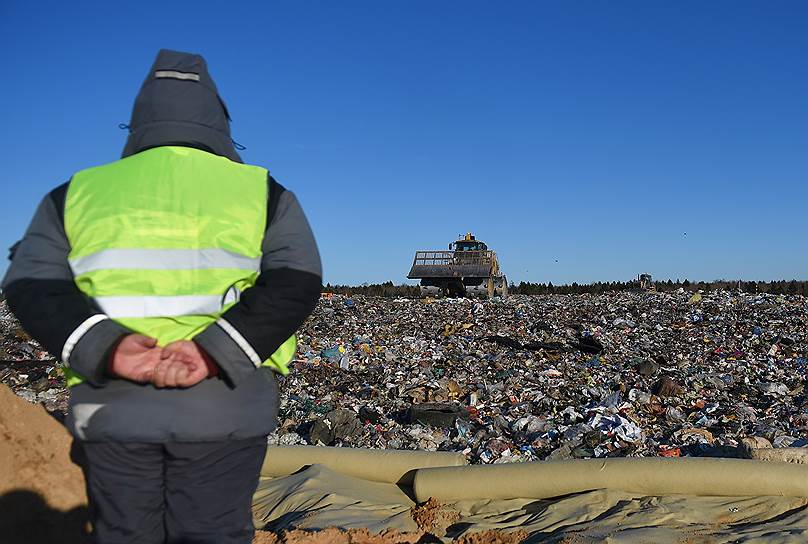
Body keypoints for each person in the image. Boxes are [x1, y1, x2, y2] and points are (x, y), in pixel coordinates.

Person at [2, 49, 322, 543]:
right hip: (225, 407)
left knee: (124, 534)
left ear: (138, 119)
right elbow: (296, 279)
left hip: (112, 405)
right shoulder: (263, 191)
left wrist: (108, 348)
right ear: (217, 117)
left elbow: (30, 282)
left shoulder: (77, 193)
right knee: (212, 532)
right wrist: (213, 352)